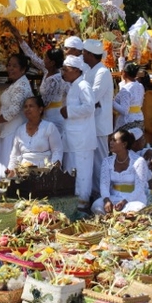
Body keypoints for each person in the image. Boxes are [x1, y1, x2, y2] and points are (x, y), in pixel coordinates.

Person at [60, 55, 96, 211]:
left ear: (75, 70)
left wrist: (69, 111)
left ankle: (82, 205)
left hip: (82, 139)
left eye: (65, 69)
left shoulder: (83, 85)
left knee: (82, 172)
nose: (63, 73)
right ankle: (72, 204)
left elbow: (89, 107)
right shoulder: (73, 85)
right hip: (72, 137)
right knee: (71, 169)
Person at [16, 29, 68, 135]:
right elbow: (33, 57)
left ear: (52, 62)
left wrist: (30, 106)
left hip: (54, 115)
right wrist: (20, 39)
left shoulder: (56, 79)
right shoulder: (47, 70)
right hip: (47, 114)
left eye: (46, 58)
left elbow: (45, 101)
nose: (44, 60)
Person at [0, 53, 33, 182]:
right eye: (9, 65)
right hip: (7, 128)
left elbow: (13, 111)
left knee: (10, 160)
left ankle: (8, 188)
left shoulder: (21, 86)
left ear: (23, 69)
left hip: (14, 129)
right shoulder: (16, 84)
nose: (10, 69)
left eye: (14, 66)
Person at [91, 130, 150, 215]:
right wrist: (107, 200)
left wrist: (124, 202)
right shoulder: (107, 161)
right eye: (111, 140)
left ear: (124, 144)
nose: (111, 143)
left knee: (137, 208)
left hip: (132, 200)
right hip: (114, 198)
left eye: (114, 140)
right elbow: (104, 185)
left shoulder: (138, 161)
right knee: (96, 205)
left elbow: (139, 188)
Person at [83, 39, 114, 199]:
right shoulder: (90, 70)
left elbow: (93, 97)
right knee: (92, 161)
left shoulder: (102, 72)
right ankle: (94, 192)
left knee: (101, 161)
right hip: (91, 123)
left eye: (84, 52)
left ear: (89, 54)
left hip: (100, 123)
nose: (82, 55)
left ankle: (103, 194)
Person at [7, 96, 63, 174]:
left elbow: (57, 151)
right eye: (25, 107)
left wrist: (53, 170)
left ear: (40, 109)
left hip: (45, 172)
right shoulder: (20, 130)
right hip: (24, 172)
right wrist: (11, 170)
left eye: (31, 106)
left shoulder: (49, 127)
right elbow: (15, 155)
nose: (27, 109)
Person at [113, 62, 145, 132]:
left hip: (128, 121)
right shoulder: (140, 86)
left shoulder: (126, 89)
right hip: (139, 117)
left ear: (124, 73)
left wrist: (112, 102)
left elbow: (124, 111)